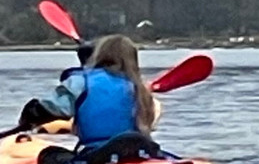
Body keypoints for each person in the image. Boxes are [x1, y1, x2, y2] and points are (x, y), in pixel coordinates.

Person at [18, 35, 160, 164]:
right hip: (141, 150)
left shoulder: (80, 81)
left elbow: (47, 110)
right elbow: (150, 121)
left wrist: (29, 117)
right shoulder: (140, 88)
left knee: (49, 155)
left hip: (99, 154)